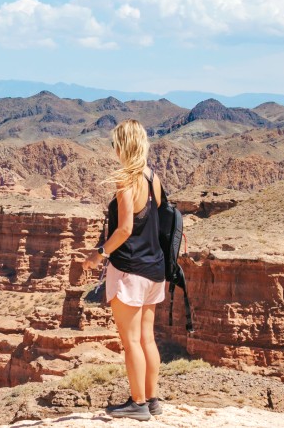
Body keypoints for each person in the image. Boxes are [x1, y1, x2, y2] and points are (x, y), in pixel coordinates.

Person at [83, 119, 165, 422]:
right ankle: (152, 400)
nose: (113, 149)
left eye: (115, 143)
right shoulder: (153, 177)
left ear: (123, 145)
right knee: (147, 339)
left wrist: (98, 254)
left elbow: (126, 228)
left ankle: (137, 403)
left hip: (130, 270)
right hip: (155, 269)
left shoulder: (126, 180)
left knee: (131, 341)